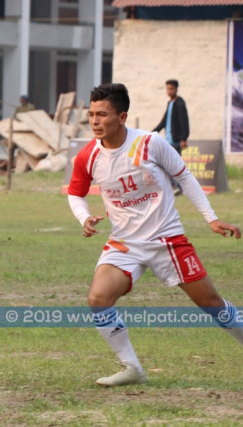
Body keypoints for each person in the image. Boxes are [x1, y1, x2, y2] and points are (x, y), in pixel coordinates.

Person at [68, 83, 242, 387]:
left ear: (122, 117)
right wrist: (84, 217)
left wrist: (211, 219)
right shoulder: (88, 155)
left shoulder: (150, 143)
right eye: (91, 114)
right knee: (98, 298)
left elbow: (184, 177)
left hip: (167, 240)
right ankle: (132, 368)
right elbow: (75, 194)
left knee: (212, 305)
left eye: (102, 114)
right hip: (124, 243)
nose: (95, 121)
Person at [152, 79, 190, 195]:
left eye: (171, 88)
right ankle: (175, 187)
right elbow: (164, 120)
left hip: (176, 140)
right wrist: (154, 132)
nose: (169, 91)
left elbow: (184, 121)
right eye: (167, 89)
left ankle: (177, 187)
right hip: (168, 140)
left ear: (176, 89)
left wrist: (184, 138)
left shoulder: (180, 103)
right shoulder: (170, 103)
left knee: (173, 165)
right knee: (168, 164)